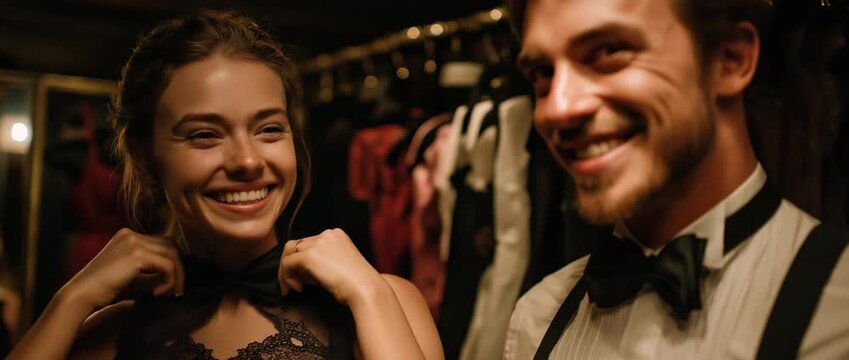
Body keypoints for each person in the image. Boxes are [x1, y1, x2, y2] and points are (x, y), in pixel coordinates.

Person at [9, 10, 442, 360]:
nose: (248, 161)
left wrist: (369, 295)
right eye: (204, 135)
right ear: (145, 159)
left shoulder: (384, 302)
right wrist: (73, 298)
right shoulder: (109, 335)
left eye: (269, 129)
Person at [503, 0, 849, 359]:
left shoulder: (837, 313)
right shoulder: (538, 320)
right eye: (543, 72)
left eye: (608, 52)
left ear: (729, 60)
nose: (559, 109)